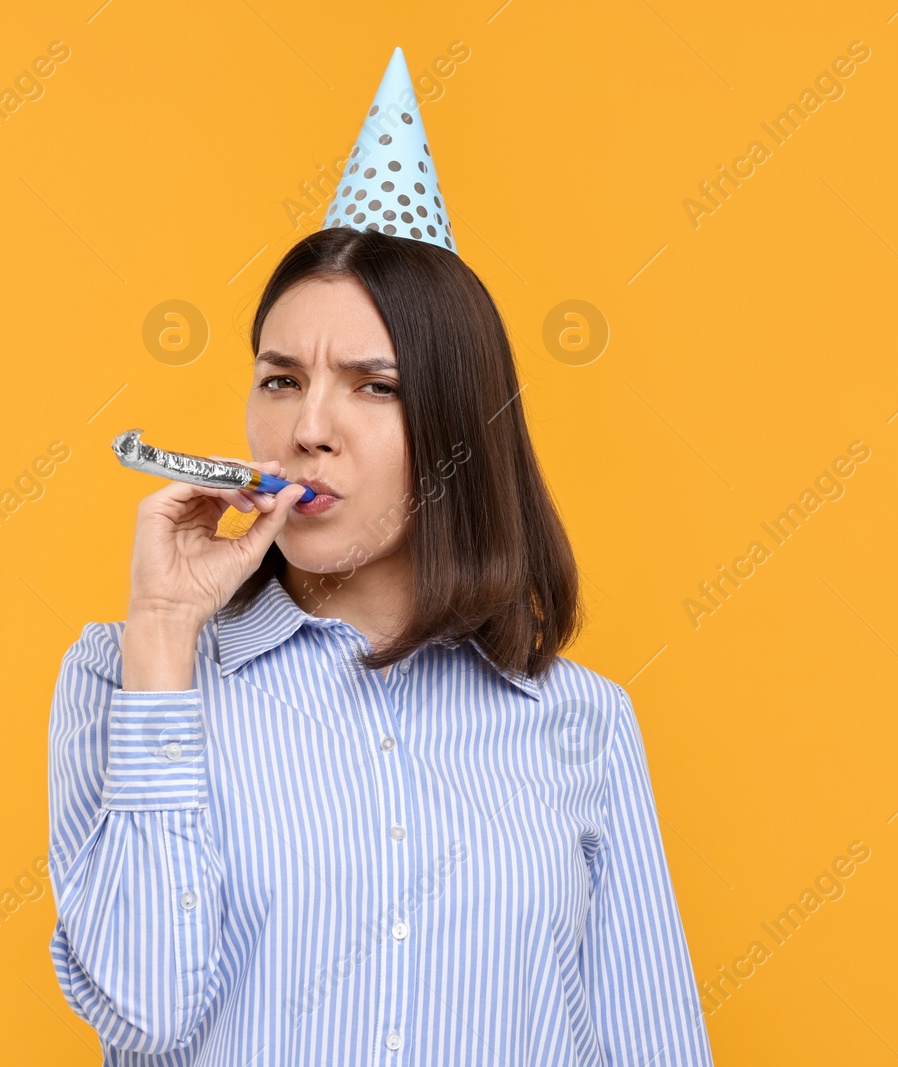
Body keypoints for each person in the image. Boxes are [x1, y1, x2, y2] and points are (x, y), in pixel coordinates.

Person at [46, 46, 712, 1067]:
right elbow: (144, 1013)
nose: (307, 428)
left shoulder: (582, 722)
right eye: (279, 379)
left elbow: (651, 1040)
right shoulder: (124, 676)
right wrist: (166, 640)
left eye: (373, 385)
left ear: (455, 425)